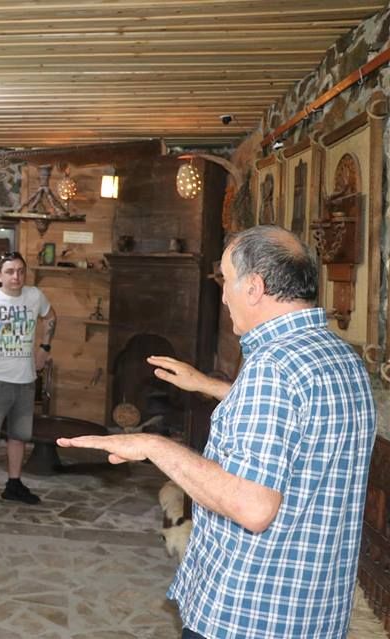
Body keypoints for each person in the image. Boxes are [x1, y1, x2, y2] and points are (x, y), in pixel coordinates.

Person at [60, 225, 376, 639]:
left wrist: (153, 445)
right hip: (312, 611)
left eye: (226, 280)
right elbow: (298, 421)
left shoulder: (271, 368)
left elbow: (252, 507)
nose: (223, 296)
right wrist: (209, 386)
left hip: (248, 614)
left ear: (255, 287)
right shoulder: (339, 355)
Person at [0, 251, 56, 510]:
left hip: (25, 379)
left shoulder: (34, 295)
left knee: (19, 436)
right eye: (9, 271)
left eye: (20, 271)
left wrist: (44, 348)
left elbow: (51, 317)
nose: (16, 276)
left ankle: (14, 484)